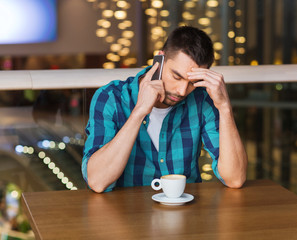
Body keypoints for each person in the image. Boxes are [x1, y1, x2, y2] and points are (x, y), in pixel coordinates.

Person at [82, 26, 247, 193]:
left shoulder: (203, 100)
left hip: (187, 214)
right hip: (125, 214)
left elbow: (235, 178)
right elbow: (97, 181)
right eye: (176, 76)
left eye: (192, 82)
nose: (182, 91)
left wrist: (224, 107)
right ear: (159, 61)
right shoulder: (110, 98)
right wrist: (139, 111)